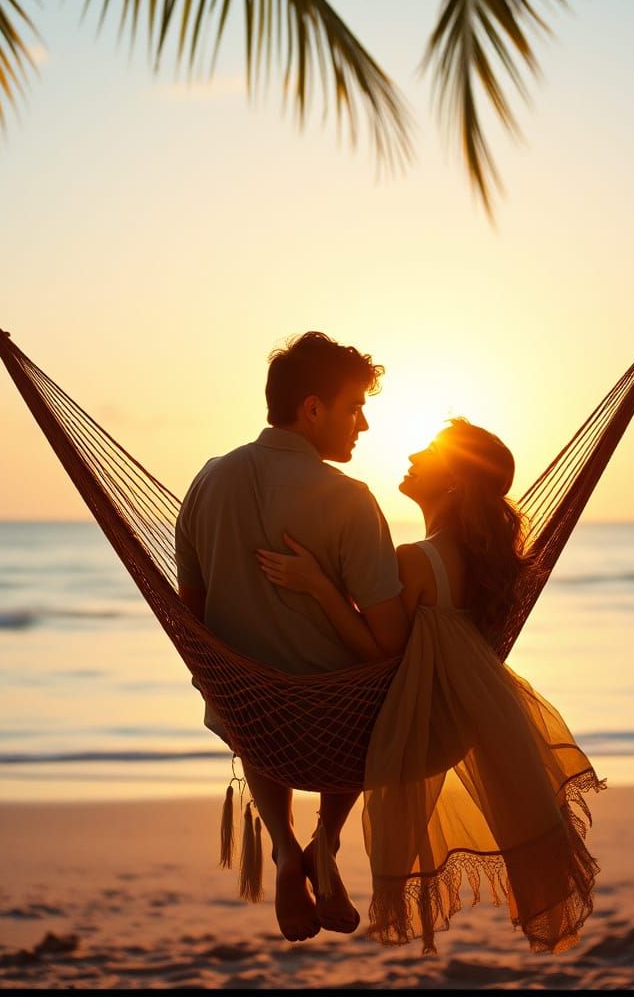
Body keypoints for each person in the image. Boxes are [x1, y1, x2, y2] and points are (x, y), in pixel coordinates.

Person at [257, 418, 604, 954]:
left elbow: (378, 650)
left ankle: (305, 845)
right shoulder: (494, 566)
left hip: (406, 725)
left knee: (282, 697)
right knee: (356, 702)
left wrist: (317, 587)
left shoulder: (415, 559)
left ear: (455, 482)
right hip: (456, 724)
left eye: (432, 451)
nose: (414, 453)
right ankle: (323, 842)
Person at [174, 331, 409, 943]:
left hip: (248, 712)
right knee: (386, 690)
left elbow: (189, 617)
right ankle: (324, 843)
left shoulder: (207, 482)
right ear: (312, 409)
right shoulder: (351, 502)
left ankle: (282, 850)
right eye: (354, 406)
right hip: (338, 718)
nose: (363, 423)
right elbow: (386, 648)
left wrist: (229, 676)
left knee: (250, 690)